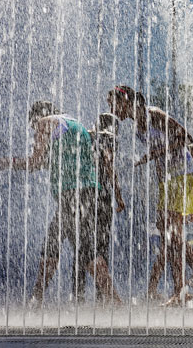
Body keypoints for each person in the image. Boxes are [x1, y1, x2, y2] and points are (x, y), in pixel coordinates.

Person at [0, 101, 121, 306]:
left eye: (33, 125)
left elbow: (35, 161)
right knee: (67, 247)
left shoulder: (45, 122)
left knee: (69, 248)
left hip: (75, 194)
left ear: (37, 117)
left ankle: (37, 299)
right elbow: (51, 161)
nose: (34, 130)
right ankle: (37, 298)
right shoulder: (72, 123)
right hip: (84, 193)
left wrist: (8, 163)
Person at [109, 85, 193, 306]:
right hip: (168, 182)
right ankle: (187, 285)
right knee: (170, 236)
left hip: (183, 175)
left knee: (172, 237)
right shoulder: (138, 126)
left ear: (127, 102)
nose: (112, 108)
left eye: (114, 103)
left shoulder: (154, 114)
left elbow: (186, 137)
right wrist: (159, 184)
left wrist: (152, 155)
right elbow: (158, 157)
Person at [72, 113, 125, 303]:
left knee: (83, 247)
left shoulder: (85, 136)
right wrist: (119, 197)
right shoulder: (108, 139)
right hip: (101, 197)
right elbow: (109, 167)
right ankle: (104, 297)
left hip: (82, 196)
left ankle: (78, 294)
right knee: (100, 247)